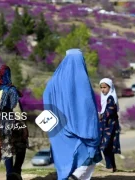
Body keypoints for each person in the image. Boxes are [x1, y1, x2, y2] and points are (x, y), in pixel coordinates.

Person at [43, 49, 102, 180]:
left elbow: (46, 96)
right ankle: (76, 176)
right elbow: (87, 105)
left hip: (59, 130)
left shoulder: (55, 79)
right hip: (80, 129)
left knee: (64, 157)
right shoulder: (81, 78)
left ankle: (69, 176)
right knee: (89, 153)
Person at [0, 65, 28, 179]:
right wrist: (23, 126)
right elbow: (17, 109)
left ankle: (9, 174)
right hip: (13, 124)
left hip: (0, 124)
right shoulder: (11, 90)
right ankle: (16, 171)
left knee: (7, 150)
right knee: (21, 146)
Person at [99, 78, 121, 173]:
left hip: (109, 126)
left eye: (105, 87)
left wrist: (100, 115)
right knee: (108, 146)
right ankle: (112, 166)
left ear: (110, 87)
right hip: (108, 125)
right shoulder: (106, 97)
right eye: (101, 87)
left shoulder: (111, 97)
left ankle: (109, 166)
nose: (103, 89)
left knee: (105, 145)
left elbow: (110, 112)